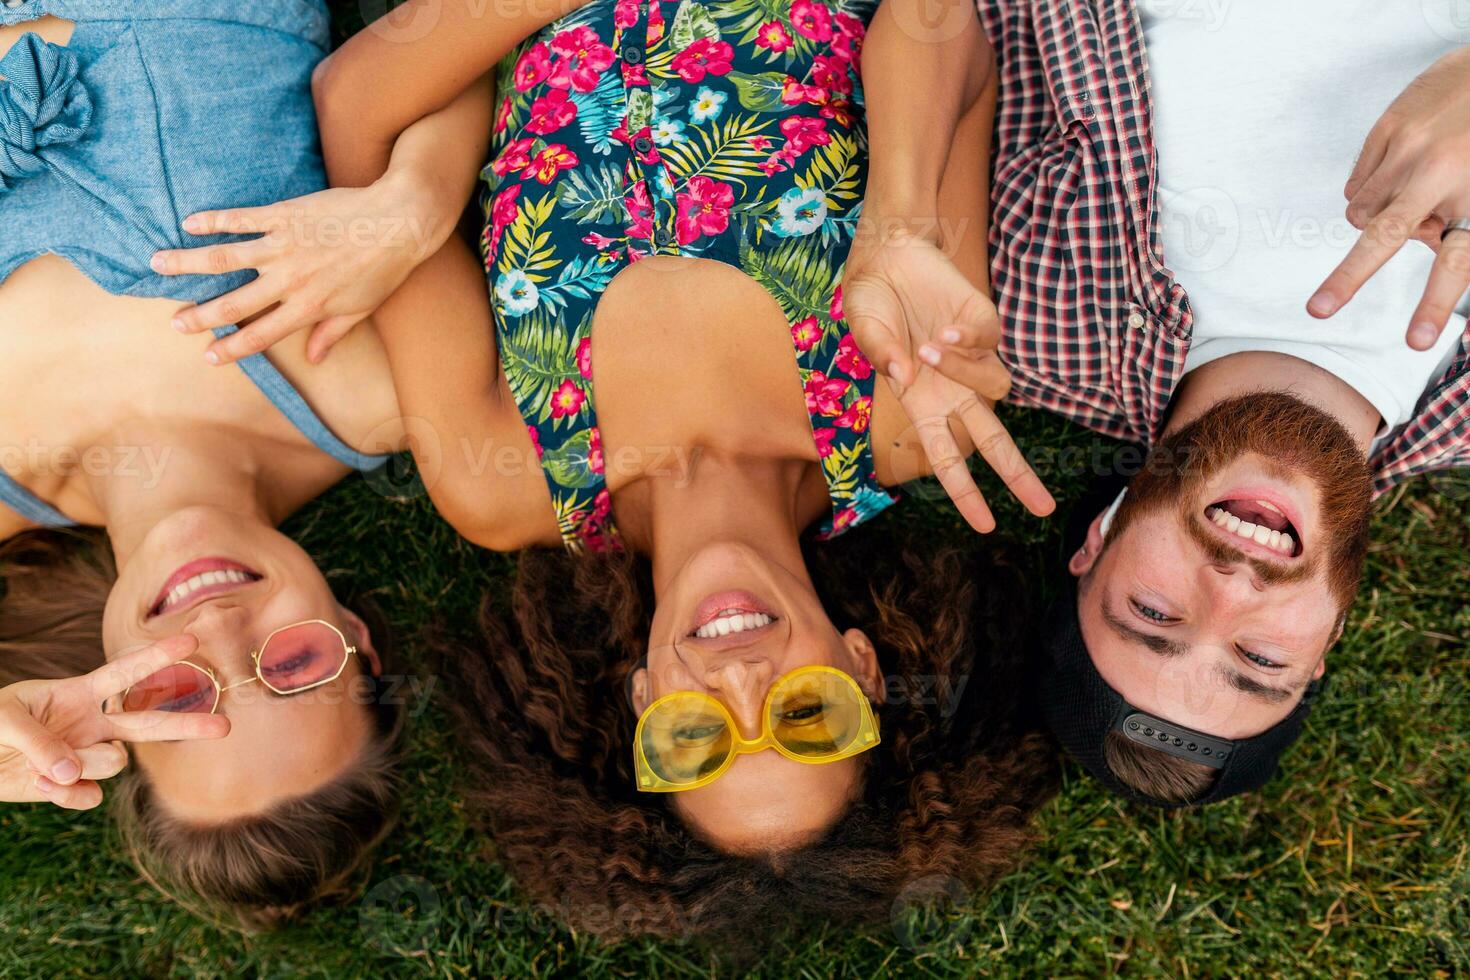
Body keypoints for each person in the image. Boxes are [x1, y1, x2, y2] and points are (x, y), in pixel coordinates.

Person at [151, 0, 1060, 938]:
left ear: (639, 704)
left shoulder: (502, 483)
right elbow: (943, 24)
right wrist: (900, 225)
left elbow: (358, 109)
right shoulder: (909, 414)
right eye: (807, 717)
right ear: (862, 668)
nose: (741, 683)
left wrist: (417, 204)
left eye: (695, 738)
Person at [975, 0, 1470, 806]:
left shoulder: (1023, 316)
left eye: (1153, 611)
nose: (1232, 589)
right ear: (1327, 641)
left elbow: (950, 31)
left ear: (1096, 544)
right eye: (1261, 662)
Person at [0, 2, 413, 929]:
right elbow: (417, 88)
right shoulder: (369, 386)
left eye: (180, 695)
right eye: (293, 665)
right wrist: (413, 204)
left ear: (106, 712)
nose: (221, 631)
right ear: (354, 635)